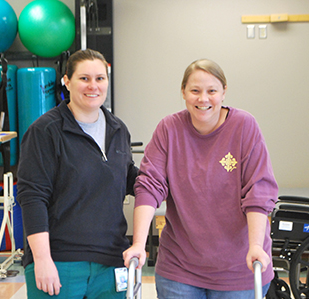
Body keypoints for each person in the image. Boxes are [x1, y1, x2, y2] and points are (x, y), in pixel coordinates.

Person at [123, 59, 278, 298]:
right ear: (183, 92)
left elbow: (258, 191)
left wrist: (256, 245)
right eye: (195, 90)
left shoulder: (244, 126)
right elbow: (149, 186)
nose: (203, 99)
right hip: (180, 267)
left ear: (224, 92)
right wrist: (138, 243)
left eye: (212, 91)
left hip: (239, 266)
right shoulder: (169, 129)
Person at [17, 49, 139, 299]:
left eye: (100, 78)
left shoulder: (118, 129)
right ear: (67, 81)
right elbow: (32, 197)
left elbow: (128, 178)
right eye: (84, 78)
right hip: (60, 261)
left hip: (111, 261)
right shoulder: (45, 131)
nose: (93, 86)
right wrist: (42, 260)